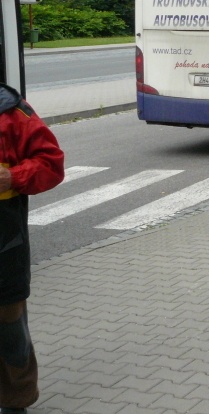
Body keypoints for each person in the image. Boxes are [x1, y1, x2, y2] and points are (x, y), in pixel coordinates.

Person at [0, 84, 65, 414]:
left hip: (4, 242)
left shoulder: (12, 113)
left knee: (9, 323)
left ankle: (15, 401)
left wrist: (12, 177)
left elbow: (51, 164)